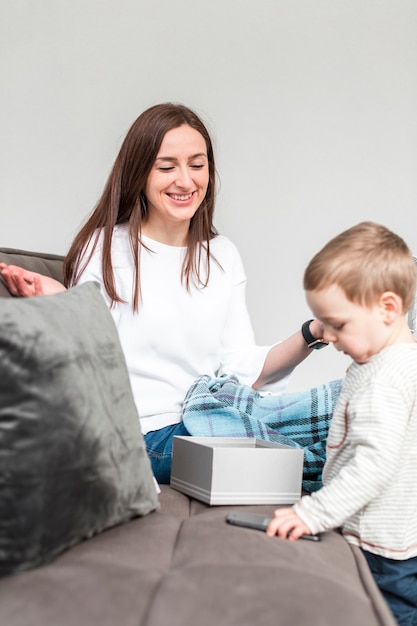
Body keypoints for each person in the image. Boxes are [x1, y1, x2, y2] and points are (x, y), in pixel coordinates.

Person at [0, 102, 338, 485]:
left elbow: (242, 366)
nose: (185, 181)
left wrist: (314, 332)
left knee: (354, 403)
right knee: (317, 455)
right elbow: (89, 357)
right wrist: (62, 299)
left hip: (218, 412)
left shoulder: (222, 255)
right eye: (166, 167)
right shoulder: (105, 248)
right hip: (142, 437)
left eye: (197, 165)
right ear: (140, 173)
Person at [266, 221, 417, 626]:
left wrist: (312, 514)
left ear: (388, 308)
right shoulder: (403, 360)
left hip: (379, 546)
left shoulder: (382, 379)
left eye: (339, 324)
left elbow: (373, 465)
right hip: (403, 535)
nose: (328, 336)